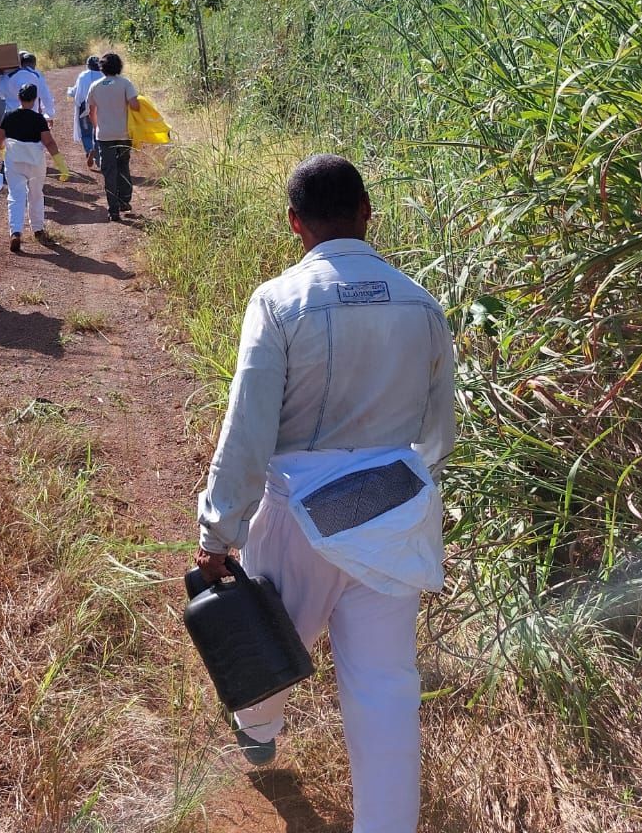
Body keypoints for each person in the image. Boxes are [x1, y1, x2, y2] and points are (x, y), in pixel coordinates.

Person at [193, 154, 456, 833]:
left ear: (294, 223)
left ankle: (259, 732)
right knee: (386, 693)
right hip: (393, 510)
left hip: (300, 509)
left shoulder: (279, 302)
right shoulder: (421, 303)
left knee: (266, 637)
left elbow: (248, 430)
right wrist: (398, 490)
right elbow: (437, 434)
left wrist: (219, 532)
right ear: (367, 212)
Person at [0, 82, 66, 253]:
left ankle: (15, 232)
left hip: (14, 161)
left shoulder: (9, 116)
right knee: (35, 194)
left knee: (15, 196)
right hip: (35, 162)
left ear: (19, 97)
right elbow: (49, 142)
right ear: (35, 99)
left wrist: (3, 151)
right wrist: (61, 165)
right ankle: (38, 229)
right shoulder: (38, 119)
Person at [86, 51, 140, 222]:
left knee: (109, 172)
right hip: (123, 133)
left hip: (104, 135)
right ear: (119, 67)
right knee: (123, 166)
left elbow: (91, 112)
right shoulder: (125, 83)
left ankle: (113, 210)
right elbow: (135, 106)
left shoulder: (95, 86)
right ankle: (124, 200)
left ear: (102, 68)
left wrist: (98, 128)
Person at [66, 54, 103, 170]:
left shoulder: (83, 76)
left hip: (85, 108)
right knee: (98, 131)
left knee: (86, 132)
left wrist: (69, 92)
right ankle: (98, 157)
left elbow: (76, 92)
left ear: (88, 65)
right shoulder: (104, 75)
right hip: (100, 107)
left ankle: (89, 149)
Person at [2, 51, 55, 122]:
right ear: (34, 64)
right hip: (30, 116)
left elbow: (0, 93)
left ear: (21, 63)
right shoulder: (37, 76)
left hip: (11, 116)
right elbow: (46, 97)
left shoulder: (8, 76)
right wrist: (49, 115)